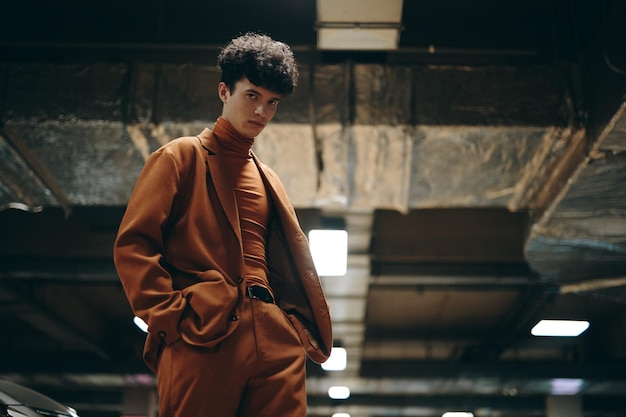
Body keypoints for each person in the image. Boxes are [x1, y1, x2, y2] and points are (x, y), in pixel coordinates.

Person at [113, 33, 332, 417]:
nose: (262, 112)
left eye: (272, 103)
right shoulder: (180, 156)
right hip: (205, 328)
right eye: (252, 96)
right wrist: (171, 316)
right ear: (224, 91)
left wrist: (290, 327)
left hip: (276, 335)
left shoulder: (269, 178)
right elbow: (135, 245)